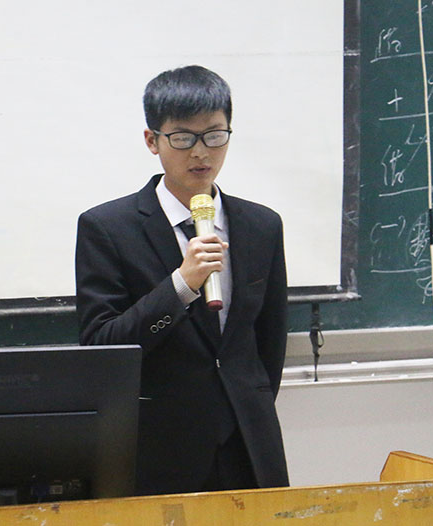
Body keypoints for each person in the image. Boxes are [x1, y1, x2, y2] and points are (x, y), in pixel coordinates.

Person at [75, 65, 288, 495]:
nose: (201, 153)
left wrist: (248, 404)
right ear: (152, 140)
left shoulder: (262, 225)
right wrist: (180, 286)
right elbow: (102, 345)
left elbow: (270, 342)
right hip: (159, 448)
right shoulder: (108, 228)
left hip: (249, 443)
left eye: (214, 135)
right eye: (183, 138)